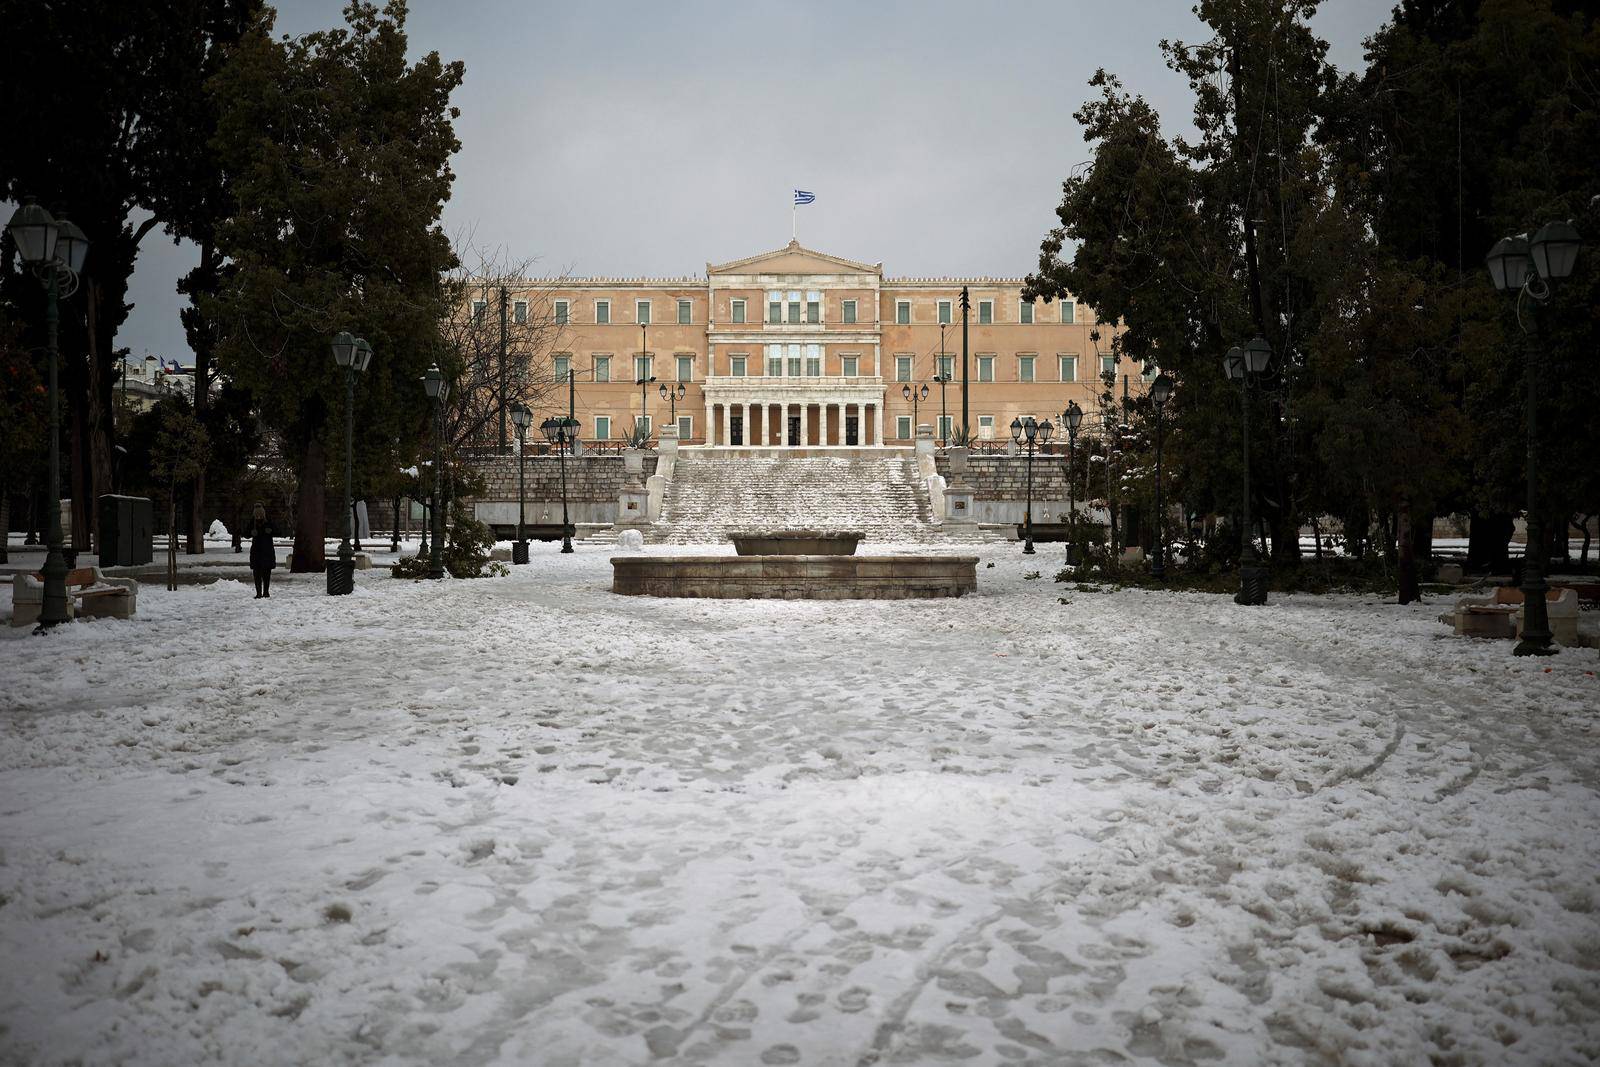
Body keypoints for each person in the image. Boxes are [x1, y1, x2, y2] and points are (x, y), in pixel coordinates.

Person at [249, 503, 276, 598]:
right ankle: (259, 592)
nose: (258, 517)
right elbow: (246, 532)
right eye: (257, 515)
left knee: (266, 574)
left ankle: (266, 592)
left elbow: (278, 531)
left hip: (267, 551)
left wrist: (271, 531)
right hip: (257, 552)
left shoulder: (269, 522)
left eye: (260, 515)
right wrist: (251, 533)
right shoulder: (252, 523)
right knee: (257, 574)